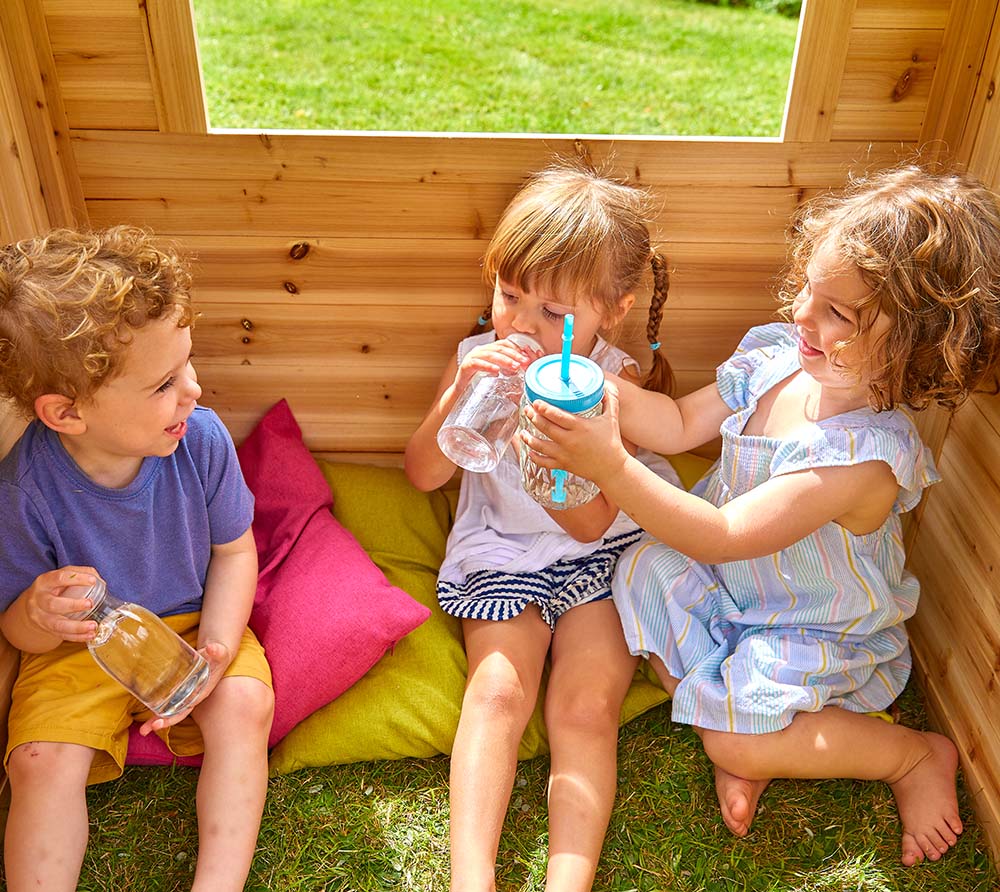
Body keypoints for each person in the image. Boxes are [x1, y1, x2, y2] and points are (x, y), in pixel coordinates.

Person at [520, 165, 1000, 868]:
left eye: (838, 312)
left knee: (731, 739)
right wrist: (603, 403)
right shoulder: (779, 358)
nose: (804, 314)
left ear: (914, 344)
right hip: (732, 587)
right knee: (641, 571)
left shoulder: (860, 458)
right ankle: (743, 717)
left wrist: (609, 466)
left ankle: (907, 757)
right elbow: (682, 422)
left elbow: (725, 535)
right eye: (809, 286)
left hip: (810, 625)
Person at [405, 162, 679, 892]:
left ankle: (569, 879)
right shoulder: (475, 361)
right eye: (509, 295)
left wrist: (546, 455)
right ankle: (472, 878)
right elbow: (424, 475)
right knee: (497, 693)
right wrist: (460, 397)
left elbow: (592, 525)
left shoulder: (614, 390)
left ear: (610, 312)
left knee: (586, 707)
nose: (521, 324)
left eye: (554, 313)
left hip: (595, 555)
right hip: (500, 552)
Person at [0, 226, 275, 892]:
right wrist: (41, 614)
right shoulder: (26, 488)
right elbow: (14, 628)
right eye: (162, 384)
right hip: (79, 652)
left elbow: (235, 551)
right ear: (67, 413)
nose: (195, 390)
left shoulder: (200, 441)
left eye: (187, 365)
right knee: (37, 760)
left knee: (243, 707)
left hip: (188, 624)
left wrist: (216, 644)